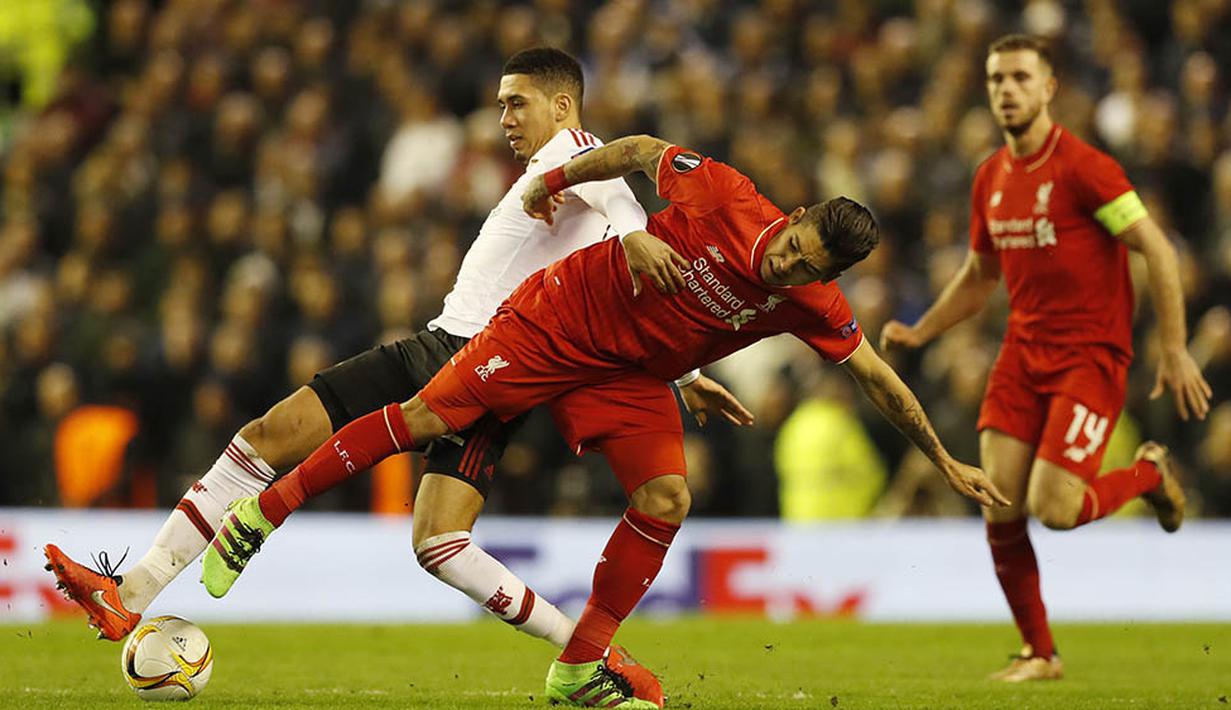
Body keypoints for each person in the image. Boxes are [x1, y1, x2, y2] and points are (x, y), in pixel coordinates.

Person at [200, 132, 1009, 707]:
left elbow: (879, 381)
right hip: (557, 323)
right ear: (793, 214)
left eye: (808, 268)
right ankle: (258, 515)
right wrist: (551, 188)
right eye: (793, 246)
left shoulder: (811, 301)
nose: (786, 266)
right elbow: (636, 149)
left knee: (666, 498)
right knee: (418, 419)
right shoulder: (724, 192)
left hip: (630, 376)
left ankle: (578, 668)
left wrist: (942, 461)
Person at [44, 47, 750, 704]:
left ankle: (587, 658)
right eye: (501, 106)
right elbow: (621, 286)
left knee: (338, 481)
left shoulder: (577, 154)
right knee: (415, 531)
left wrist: (633, 234)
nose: (504, 119)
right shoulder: (565, 178)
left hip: (491, 367)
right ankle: (128, 594)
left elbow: (620, 202)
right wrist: (684, 374)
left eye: (517, 104)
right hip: (439, 347)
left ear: (563, 107)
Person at [880, 34, 1213, 682]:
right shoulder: (989, 177)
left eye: (1019, 78)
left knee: (1054, 511)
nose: (1006, 89)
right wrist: (922, 331)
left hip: (1090, 358)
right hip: (1021, 356)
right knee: (998, 502)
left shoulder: (1084, 168)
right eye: (996, 78)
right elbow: (979, 275)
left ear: (1048, 87)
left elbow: (1158, 250)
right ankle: (1040, 653)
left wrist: (1173, 348)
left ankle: (1149, 475)